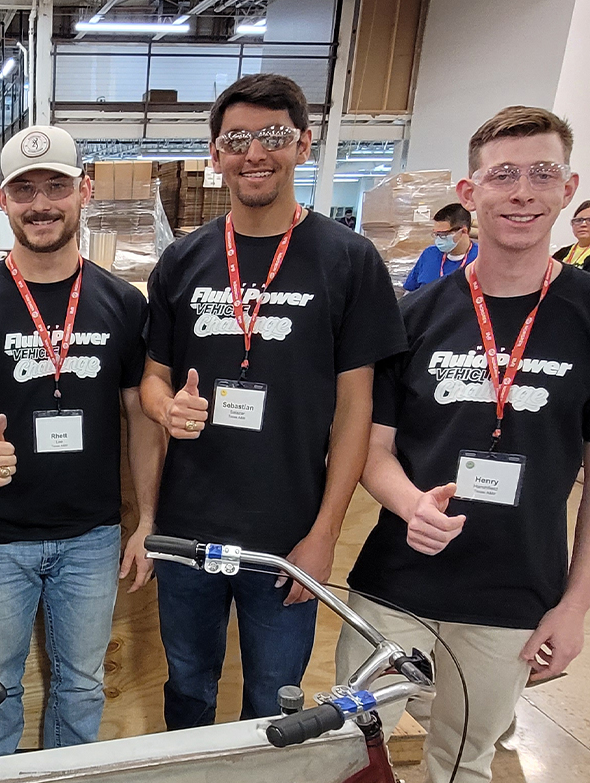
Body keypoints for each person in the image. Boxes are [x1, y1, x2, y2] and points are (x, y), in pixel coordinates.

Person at [294, 107, 590, 783]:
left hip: (513, 590)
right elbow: (373, 449)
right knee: (354, 733)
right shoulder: (416, 314)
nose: (521, 193)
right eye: (503, 175)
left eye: (540, 175)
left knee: (466, 752)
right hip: (396, 580)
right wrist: (406, 502)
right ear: (470, 191)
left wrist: (576, 603)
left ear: (567, 189)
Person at [139, 73, 407, 728]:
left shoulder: (348, 260)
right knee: (189, 687)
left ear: (303, 144)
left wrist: (324, 537)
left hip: (287, 537)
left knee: (275, 699)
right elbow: (152, 377)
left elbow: (355, 410)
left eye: (271, 136)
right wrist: (164, 408)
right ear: (215, 154)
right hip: (187, 533)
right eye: (236, 139)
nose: (253, 153)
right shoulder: (182, 259)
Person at [0, 125, 162, 774]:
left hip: (92, 538)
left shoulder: (120, 303)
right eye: (25, 190)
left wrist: (149, 523)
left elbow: (142, 420)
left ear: (84, 191)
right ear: (2, 198)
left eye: (56, 186)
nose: (41, 203)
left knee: (81, 686)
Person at [401, 203, 477, 292]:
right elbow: (410, 292)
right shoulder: (429, 254)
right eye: (436, 234)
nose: (438, 239)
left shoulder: (481, 258)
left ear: (463, 231)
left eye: (443, 235)